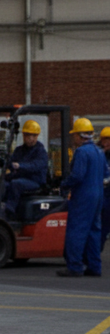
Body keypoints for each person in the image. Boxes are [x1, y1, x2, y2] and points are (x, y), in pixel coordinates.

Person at [57, 118, 104, 277]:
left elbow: (77, 176)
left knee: (76, 231)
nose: (73, 138)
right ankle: (95, 267)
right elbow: (105, 174)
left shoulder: (82, 152)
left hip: (84, 196)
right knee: (94, 231)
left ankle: (75, 266)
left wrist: (63, 185)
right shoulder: (99, 151)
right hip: (98, 195)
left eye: (74, 135)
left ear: (79, 135)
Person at [3, 119, 49, 219]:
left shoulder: (40, 151)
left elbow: (35, 166)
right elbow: (11, 163)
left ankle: (9, 211)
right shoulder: (19, 150)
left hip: (35, 181)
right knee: (2, 185)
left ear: (37, 136)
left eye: (34, 136)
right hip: (20, 178)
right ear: (24, 136)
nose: (31, 138)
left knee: (16, 184)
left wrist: (19, 166)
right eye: (28, 135)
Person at [100, 126, 110, 256]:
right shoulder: (101, 154)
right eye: (104, 139)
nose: (105, 142)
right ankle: (95, 252)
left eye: (108, 139)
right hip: (103, 195)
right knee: (101, 227)